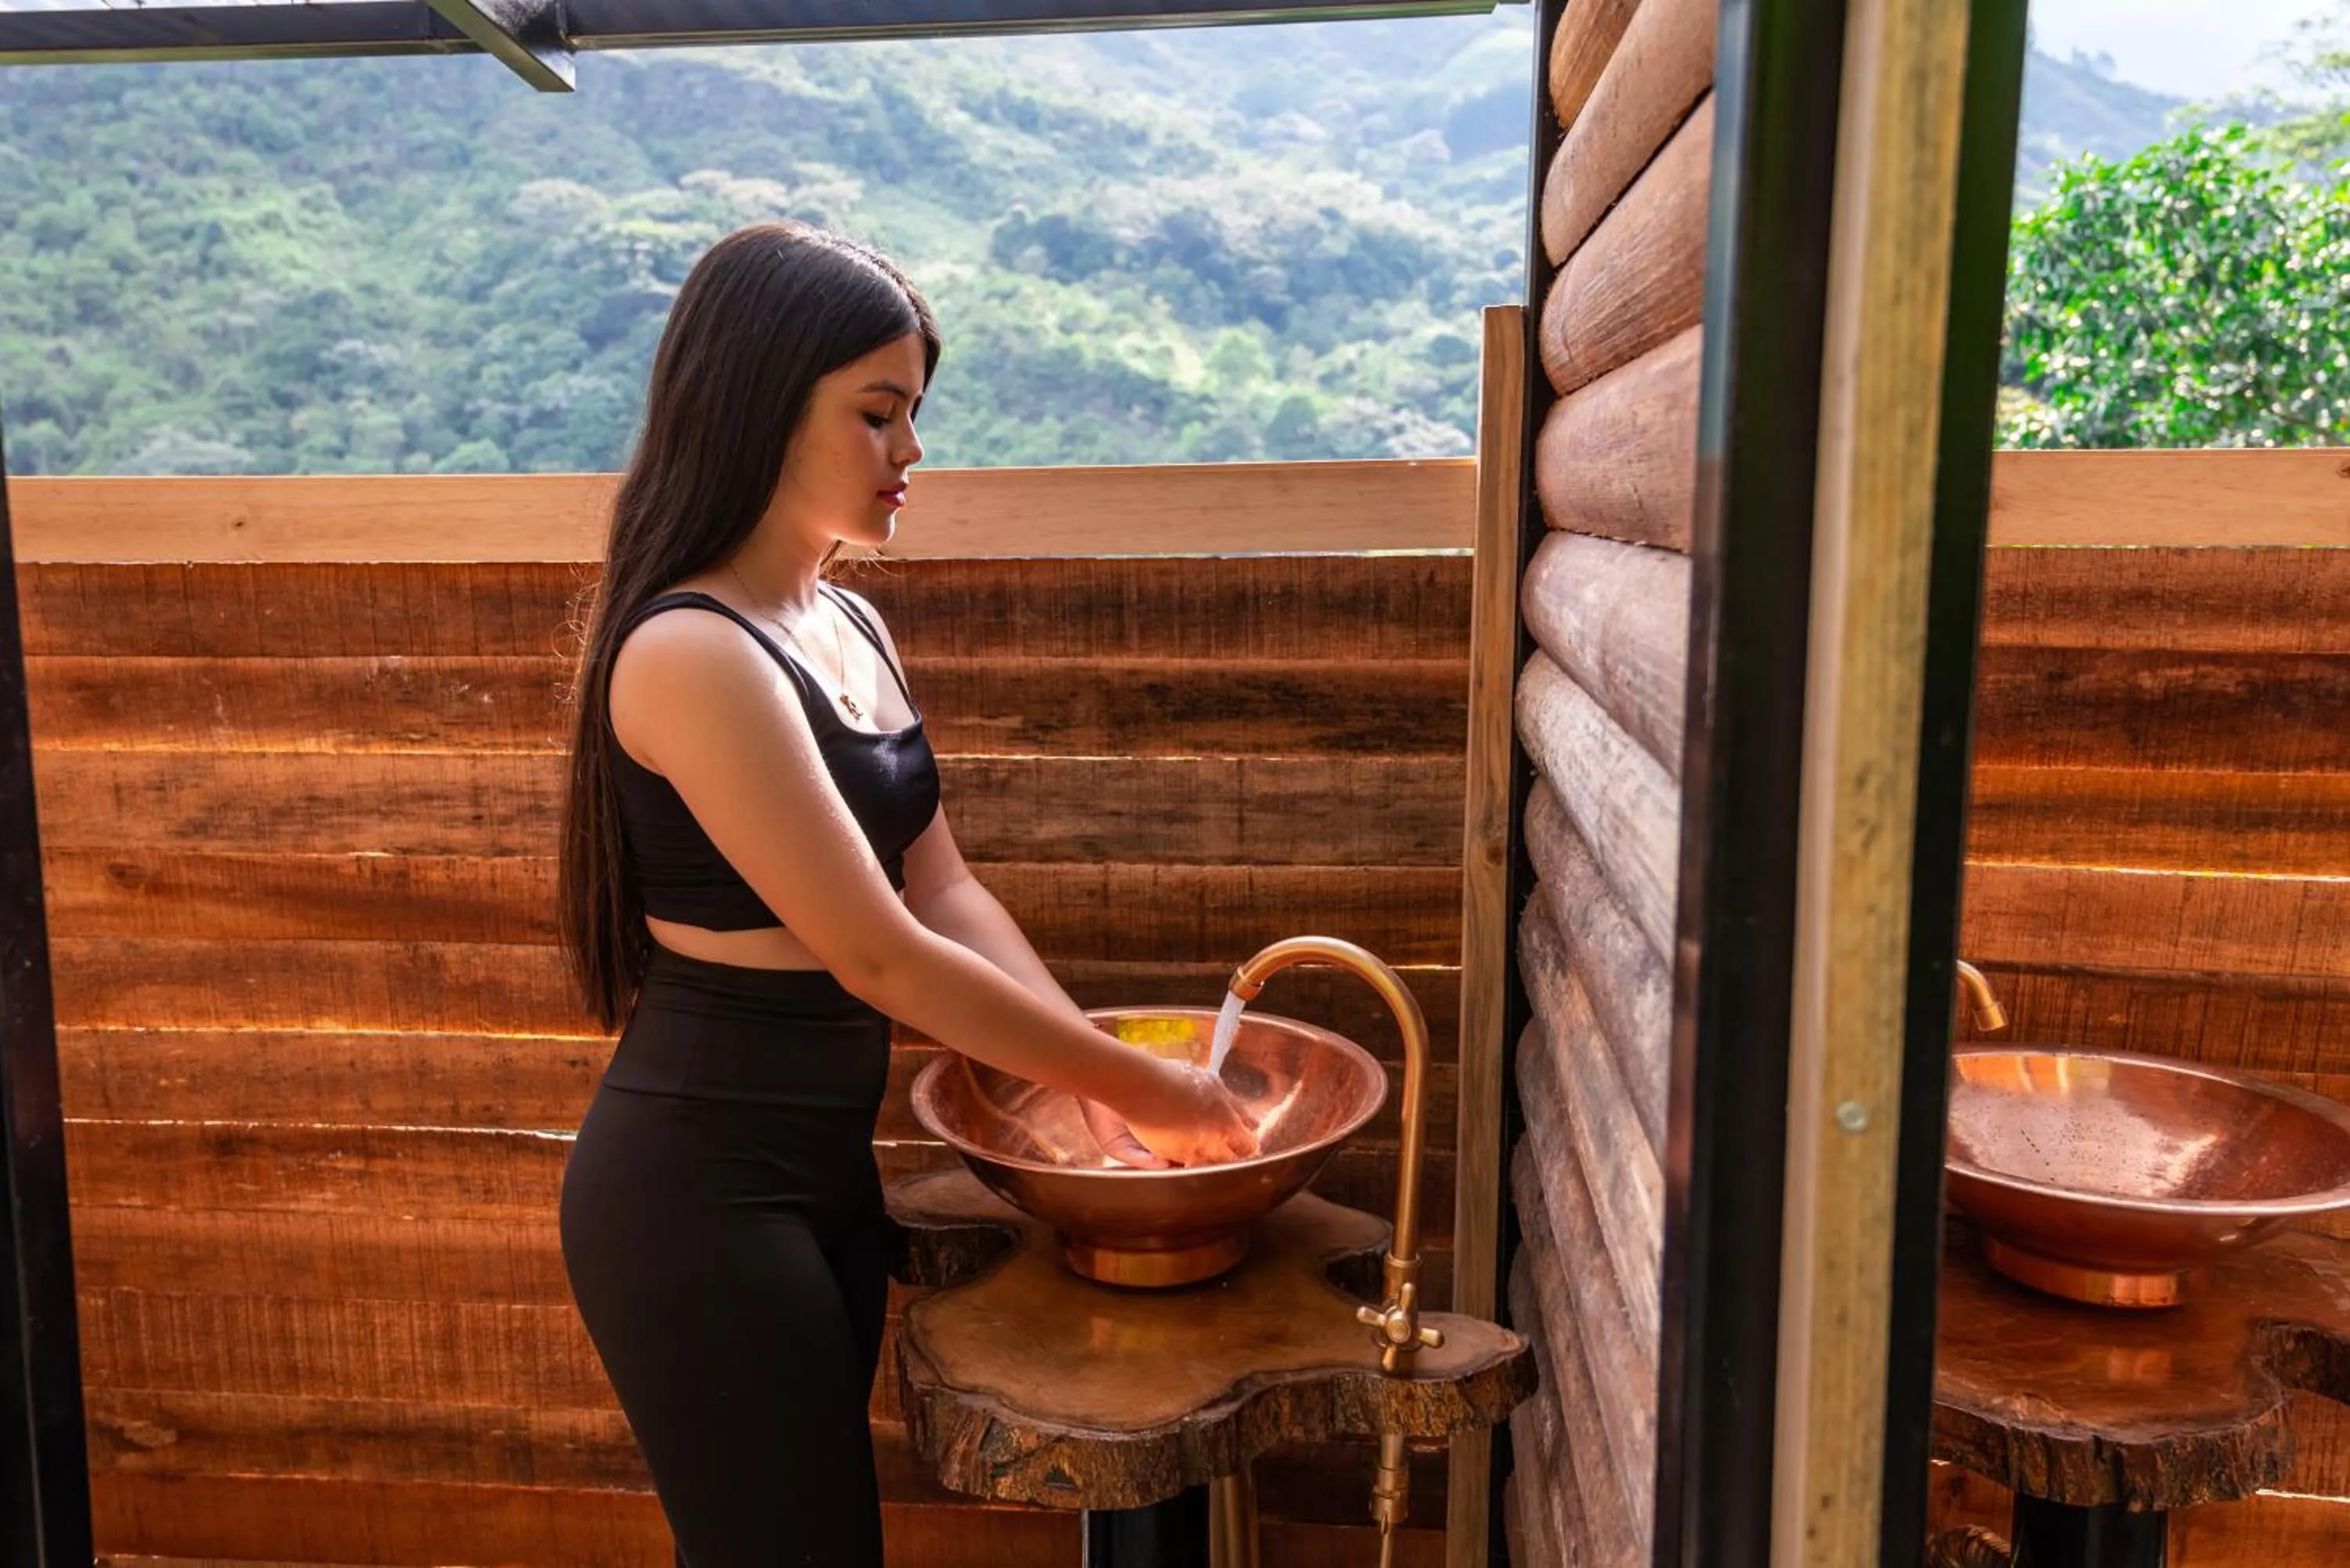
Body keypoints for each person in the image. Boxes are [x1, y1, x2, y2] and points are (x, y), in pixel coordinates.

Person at [554, 222, 1259, 1568]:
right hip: (695, 1194)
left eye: (914, 415)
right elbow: (879, 954)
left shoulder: (845, 622)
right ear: (760, 401)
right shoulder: (693, 652)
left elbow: (945, 886)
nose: (911, 452)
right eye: (877, 415)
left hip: (819, 1171)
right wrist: (1148, 1088)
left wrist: (1092, 1089)